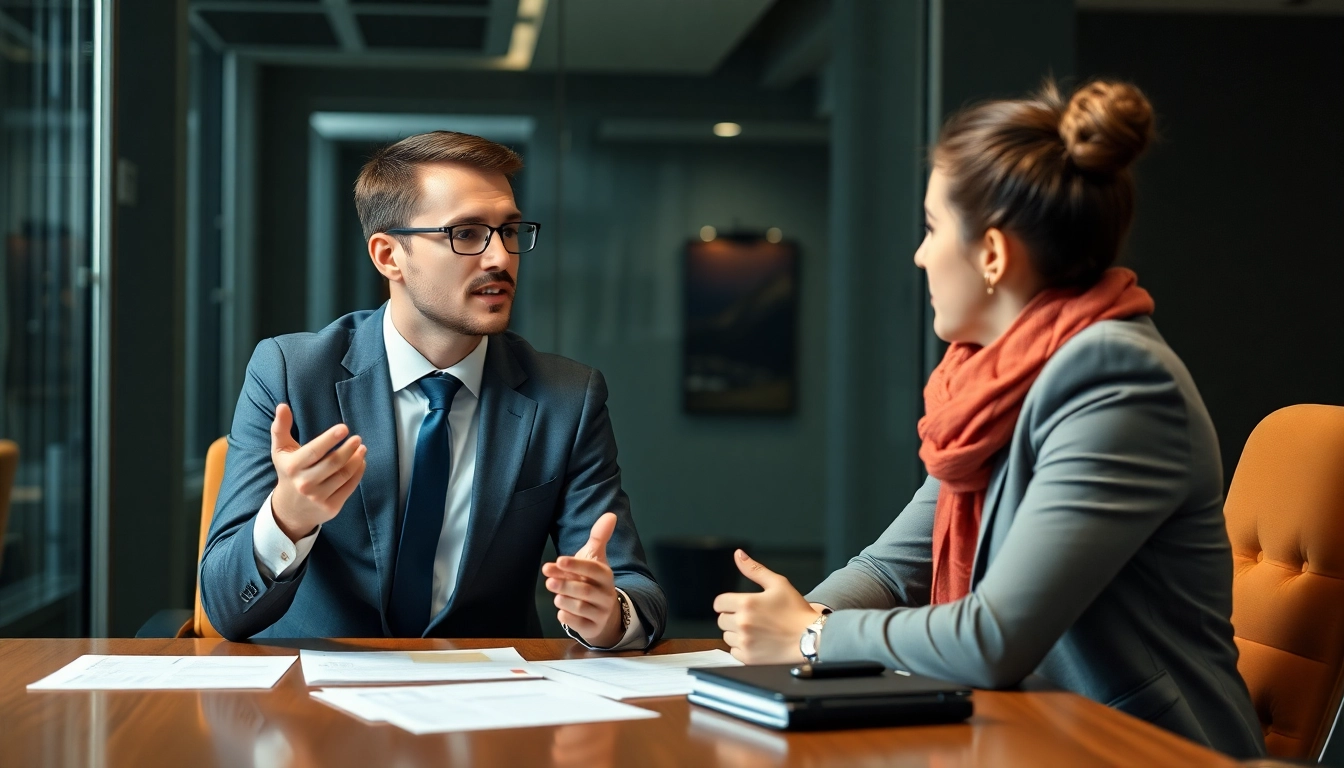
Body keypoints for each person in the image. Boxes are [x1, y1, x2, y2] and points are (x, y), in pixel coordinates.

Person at [712, 80, 1265, 757]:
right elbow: (890, 570)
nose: (920, 255)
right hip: (1028, 737)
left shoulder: (1117, 384)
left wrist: (810, 636)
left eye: (932, 228)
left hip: (1141, 750)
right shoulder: (992, 387)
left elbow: (993, 638)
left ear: (994, 255)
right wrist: (792, 625)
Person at [201, 131, 666, 649]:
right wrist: (288, 518)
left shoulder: (567, 397)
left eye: (509, 231)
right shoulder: (292, 373)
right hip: (317, 687)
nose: (500, 258)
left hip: (489, 689)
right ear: (388, 256)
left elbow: (634, 586)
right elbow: (225, 608)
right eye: (466, 233)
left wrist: (608, 615)